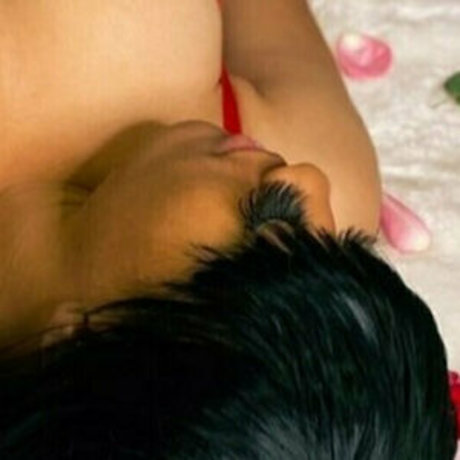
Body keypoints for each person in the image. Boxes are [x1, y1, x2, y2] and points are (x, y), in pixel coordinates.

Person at [0, 0, 457, 458]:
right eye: (343, 247)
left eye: (267, 227)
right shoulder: (333, 171)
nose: (309, 180)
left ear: (82, 341)